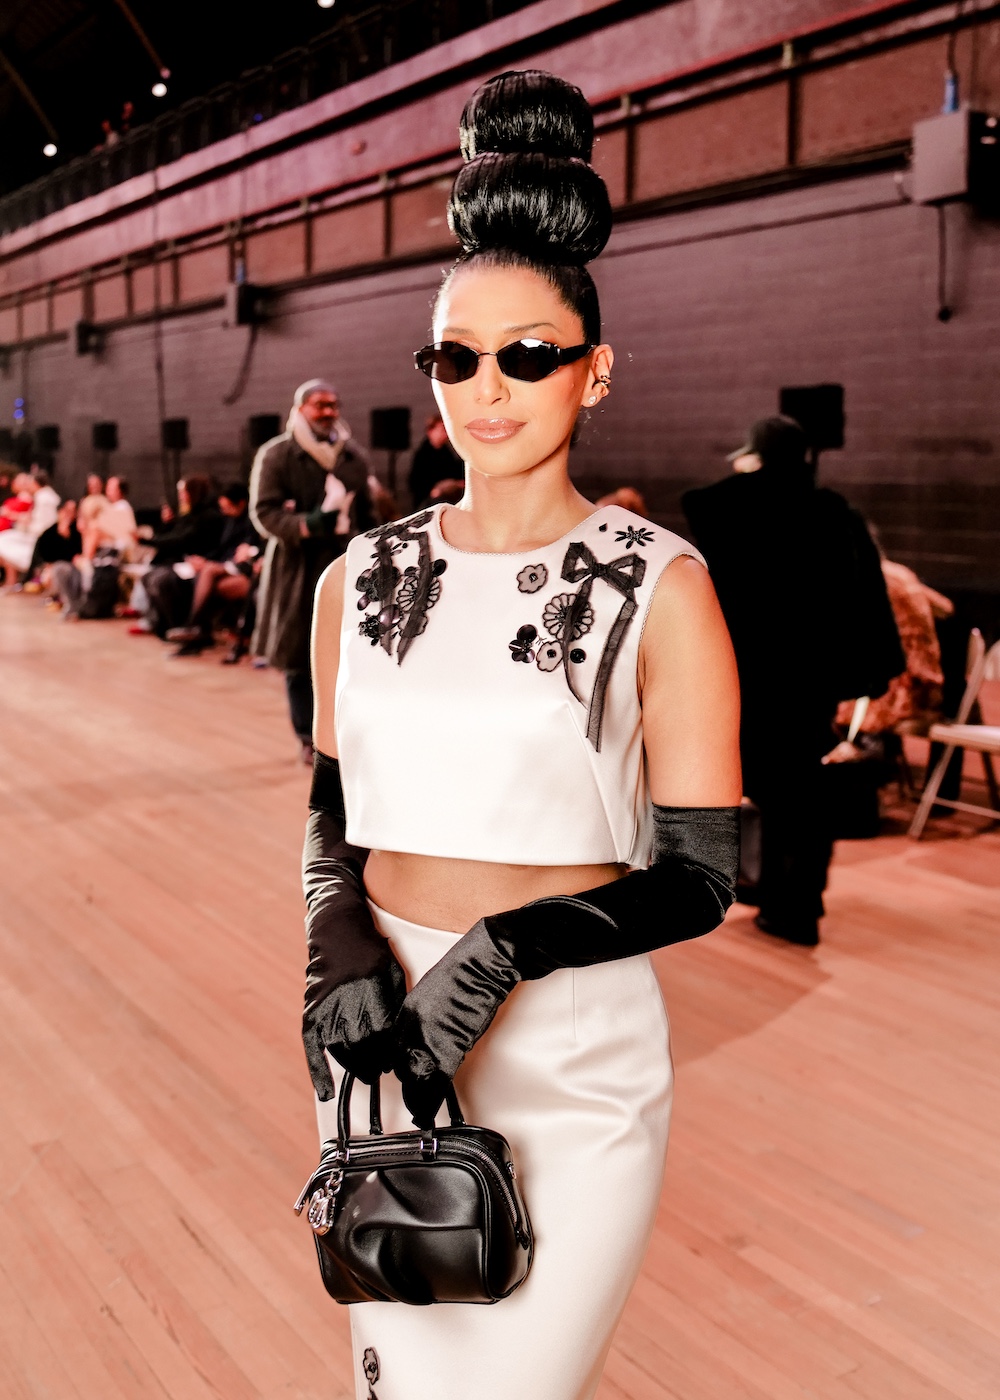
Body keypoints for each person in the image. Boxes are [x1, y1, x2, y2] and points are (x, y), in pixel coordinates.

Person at [303, 71, 741, 1400]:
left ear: (594, 369)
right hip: (378, 1044)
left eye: (528, 356)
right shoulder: (353, 579)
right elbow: (333, 803)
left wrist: (500, 956)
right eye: (455, 358)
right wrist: (335, 937)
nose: (485, 392)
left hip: (570, 1050)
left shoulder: (660, 585)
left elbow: (704, 872)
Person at [683, 415, 904, 946]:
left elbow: (699, 502)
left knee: (770, 785)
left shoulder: (738, 506)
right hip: (813, 677)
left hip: (753, 670)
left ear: (758, 455)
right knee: (800, 788)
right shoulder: (833, 512)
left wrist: (750, 472)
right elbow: (866, 592)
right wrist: (869, 671)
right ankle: (794, 898)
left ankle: (780, 897)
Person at [250, 379, 374, 761]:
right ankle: (308, 736)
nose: (328, 412)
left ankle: (344, 731)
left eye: (333, 405)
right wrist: (308, 523)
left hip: (344, 563)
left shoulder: (352, 456)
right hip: (297, 568)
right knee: (299, 657)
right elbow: (264, 512)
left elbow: (367, 515)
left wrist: (364, 544)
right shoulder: (277, 455)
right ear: (300, 409)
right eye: (319, 405)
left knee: (349, 652)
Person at [166, 482, 261, 655]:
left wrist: (213, 563)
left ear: (241, 503)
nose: (223, 511)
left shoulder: (253, 522)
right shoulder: (230, 521)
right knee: (207, 580)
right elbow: (222, 549)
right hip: (229, 568)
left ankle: (194, 628)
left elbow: (251, 552)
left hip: (246, 570)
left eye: (227, 507)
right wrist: (205, 559)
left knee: (207, 573)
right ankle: (196, 634)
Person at [140, 476, 224, 637]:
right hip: (186, 562)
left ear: (192, 492)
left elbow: (183, 539)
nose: (181, 496)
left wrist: (147, 541)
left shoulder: (209, 516)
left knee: (161, 580)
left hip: (201, 562)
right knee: (149, 577)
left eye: (183, 492)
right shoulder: (190, 515)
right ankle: (164, 626)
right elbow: (174, 536)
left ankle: (178, 625)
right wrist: (167, 524)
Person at [0, 471, 60, 585]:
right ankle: (10, 582)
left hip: (38, 539)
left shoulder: (44, 499)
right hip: (33, 534)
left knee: (4, 542)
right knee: (5, 540)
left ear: (36, 484)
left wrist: (23, 523)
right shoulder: (41, 496)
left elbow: (44, 525)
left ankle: (12, 581)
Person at [407, 413, 463, 507]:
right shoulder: (423, 454)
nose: (445, 433)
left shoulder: (446, 452)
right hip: (428, 502)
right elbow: (416, 482)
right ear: (430, 431)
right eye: (442, 429)